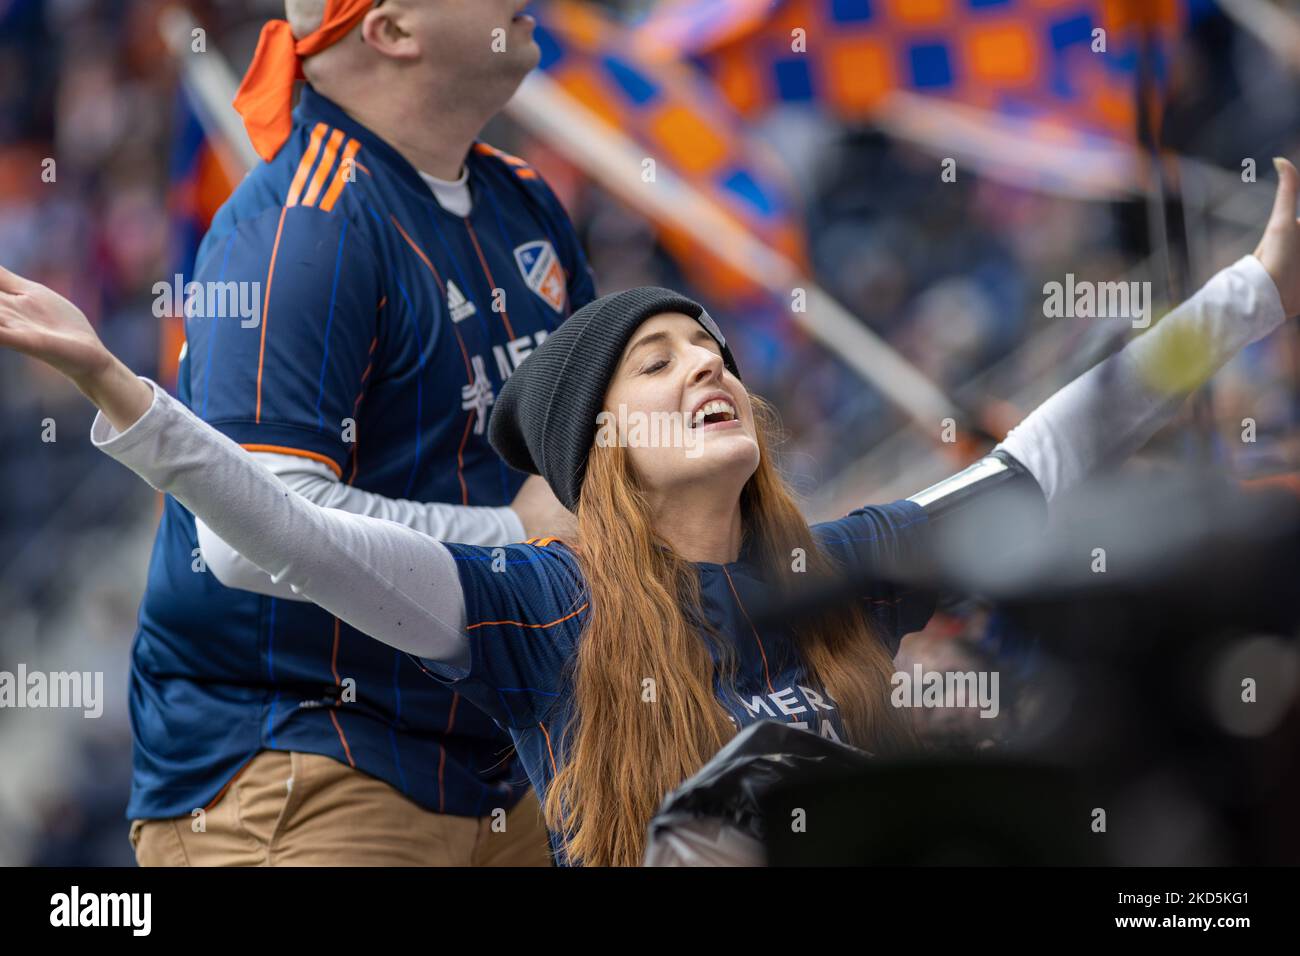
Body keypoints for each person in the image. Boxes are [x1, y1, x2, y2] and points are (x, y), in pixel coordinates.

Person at [2, 161, 1296, 866]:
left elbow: (1061, 448)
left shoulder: (838, 572)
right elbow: (296, 537)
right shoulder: (538, 606)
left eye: (717, 351)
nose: (710, 369)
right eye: (661, 363)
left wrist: (1255, 288)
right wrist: (121, 390)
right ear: (602, 442)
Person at [128, 0, 593, 865]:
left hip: (513, 753)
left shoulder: (523, 197)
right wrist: (516, 539)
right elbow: (248, 537)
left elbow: (597, 440)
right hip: (303, 766)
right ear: (391, 30)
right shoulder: (301, 227)